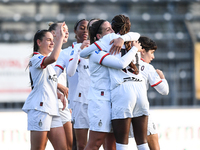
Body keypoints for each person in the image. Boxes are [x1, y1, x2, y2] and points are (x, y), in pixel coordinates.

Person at [80, 19, 144, 150]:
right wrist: (134, 50)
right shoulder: (96, 52)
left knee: (112, 144)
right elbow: (121, 64)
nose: (112, 32)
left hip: (115, 99)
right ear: (99, 36)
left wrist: (123, 38)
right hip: (101, 100)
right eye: (108, 30)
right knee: (96, 142)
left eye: (112, 29)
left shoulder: (113, 48)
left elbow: (137, 35)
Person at [94, 15, 150, 150]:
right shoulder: (135, 40)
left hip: (123, 90)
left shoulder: (109, 41)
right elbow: (135, 34)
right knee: (142, 142)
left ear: (113, 27)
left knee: (121, 143)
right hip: (140, 89)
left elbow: (89, 52)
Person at [22, 23, 68, 150]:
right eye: (49, 40)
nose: (52, 43)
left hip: (52, 109)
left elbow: (47, 84)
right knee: (39, 148)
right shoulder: (35, 58)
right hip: (40, 109)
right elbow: (54, 58)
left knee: (62, 148)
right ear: (39, 42)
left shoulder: (49, 65)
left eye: (53, 40)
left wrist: (58, 94)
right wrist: (60, 39)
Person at [54, 19, 89, 150]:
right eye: (81, 27)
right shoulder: (66, 52)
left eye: (87, 28)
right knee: (79, 144)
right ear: (75, 31)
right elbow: (53, 74)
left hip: (98, 101)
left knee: (99, 142)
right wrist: (57, 86)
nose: (85, 31)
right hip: (77, 103)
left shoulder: (97, 50)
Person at [138, 36, 169, 150]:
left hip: (121, 109)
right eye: (151, 52)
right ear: (142, 51)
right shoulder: (147, 67)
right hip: (140, 110)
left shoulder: (122, 63)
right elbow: (164, 90)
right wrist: (162, 78)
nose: (153, 56)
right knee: (153, 146)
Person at [48, 22, 73, 150]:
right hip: (49, 105)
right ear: (53, 34)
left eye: (67, 30)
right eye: (63, 29)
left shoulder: (65, 53)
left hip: (63, 105)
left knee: (69, 145)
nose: (67, 32)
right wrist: (60, 86)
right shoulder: (46, 54)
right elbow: (42, 79)